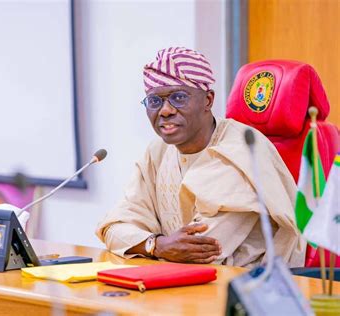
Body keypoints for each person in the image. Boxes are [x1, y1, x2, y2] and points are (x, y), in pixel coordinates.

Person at [96, 47, 305, 268]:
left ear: (208, 100)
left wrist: (147, 244)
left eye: (178, 97)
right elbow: (113, 227)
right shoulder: (158, 152)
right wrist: (157, 245)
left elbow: (200, 250)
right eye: (154, 101)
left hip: (249, 290)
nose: (165, 110)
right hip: (181, 284)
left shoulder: (241, 150)